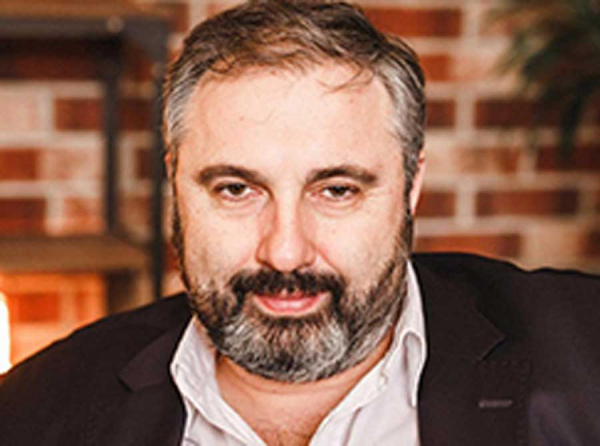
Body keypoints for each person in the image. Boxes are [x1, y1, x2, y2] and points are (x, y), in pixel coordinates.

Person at [1, 0, 599, 445]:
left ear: (410, 186)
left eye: (336, 191)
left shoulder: (586, 351)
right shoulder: (33, 411)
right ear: (175, 182)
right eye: (236, 189)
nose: (285, 252)